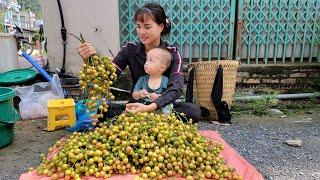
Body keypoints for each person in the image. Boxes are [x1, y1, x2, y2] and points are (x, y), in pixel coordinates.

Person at [77, 3, 201, 122]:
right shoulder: (129, 49)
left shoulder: (172, 53)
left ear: (161, 27)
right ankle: (152, 120)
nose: (141, 32)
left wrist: (150, 108)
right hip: (136, 105)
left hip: (161, 106)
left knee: (193, 111)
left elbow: (176, 86)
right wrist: (89, 61)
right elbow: (107, 77)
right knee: (101, 110)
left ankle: (140, 119)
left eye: (147, 27)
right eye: (138, 26)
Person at [132, 46, 173, 114]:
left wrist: (158, 97)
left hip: (158, 107)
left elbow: (168, 95)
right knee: (134, 106)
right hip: (143, 106)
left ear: (162, 68)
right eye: (146, 60)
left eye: (151, 60)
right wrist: (139, 94)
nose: (146, 63)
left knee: (168, 106)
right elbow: (134, 95)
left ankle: (165, 119)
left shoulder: (165, 80)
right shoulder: (142, 79)